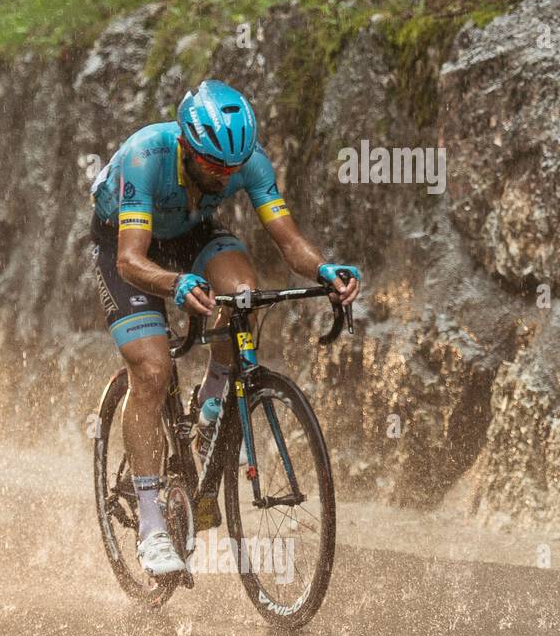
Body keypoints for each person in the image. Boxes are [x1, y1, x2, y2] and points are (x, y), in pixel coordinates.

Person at [89, 79, 361, 576]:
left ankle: (212, 408)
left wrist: (324, 270)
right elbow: (131, 259)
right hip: (128, 246)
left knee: (244, 295)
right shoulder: (146, 155)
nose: (224, 175)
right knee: (151, 370)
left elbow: (288, 240)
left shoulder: (247, 162)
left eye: (231, 168)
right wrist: (173, 284)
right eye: (213, 165)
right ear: (189, 149)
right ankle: (152, 529)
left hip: (193, 232)